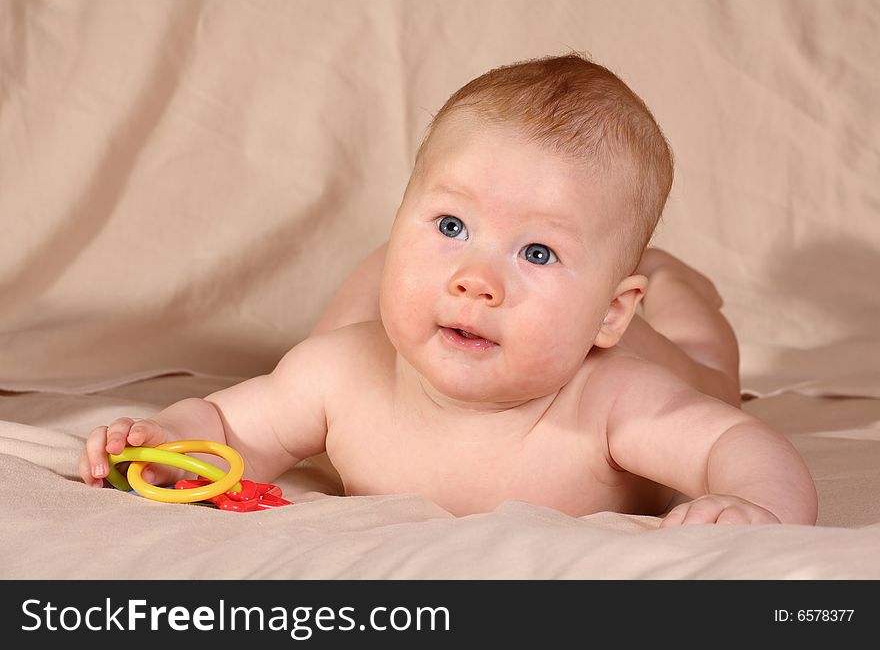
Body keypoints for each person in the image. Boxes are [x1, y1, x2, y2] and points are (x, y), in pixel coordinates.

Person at [78, 54, 818, 526]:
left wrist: (755, 507)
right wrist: (169, 441)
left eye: (537, 250)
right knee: (360, 315)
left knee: (710, 369)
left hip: (657, 357)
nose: (478, 279)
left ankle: (674, 282)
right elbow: (230, 428)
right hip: (386, 324)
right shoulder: (337, 374)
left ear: (609, 311)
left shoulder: (613, 401)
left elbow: (740, 441)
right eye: (453, 225)